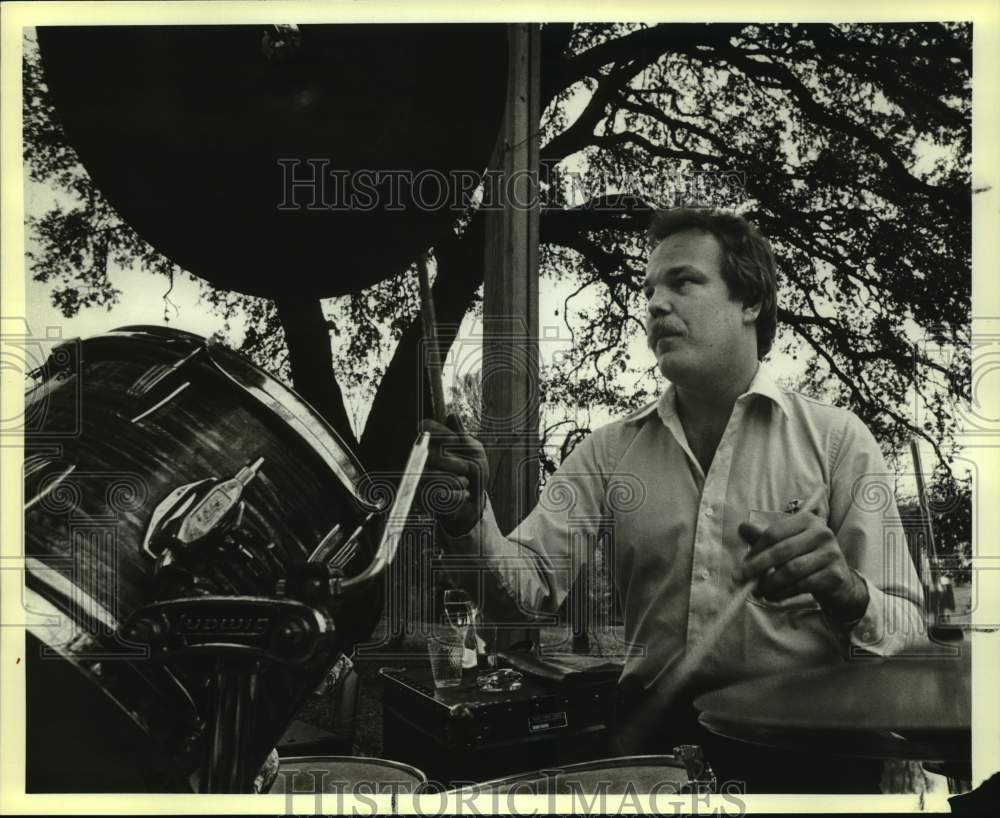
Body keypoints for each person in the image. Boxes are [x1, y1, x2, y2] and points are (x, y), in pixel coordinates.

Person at [420, 207, 925, 793]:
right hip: (653, 753)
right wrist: (467, 517)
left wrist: (849, 593)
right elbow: (521, 597)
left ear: (750, 301)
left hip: (811, 759)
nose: (656, 304)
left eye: (683, 282)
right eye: (649, 290)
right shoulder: (609, 451)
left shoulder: (837, 441)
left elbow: (911, 636)